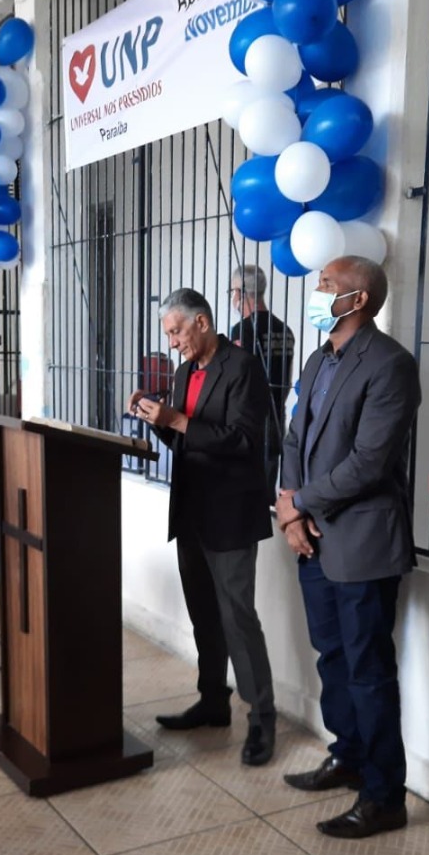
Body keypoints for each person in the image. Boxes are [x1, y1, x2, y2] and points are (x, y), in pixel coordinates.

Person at [275, 257, 422, 839]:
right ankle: (349, 755)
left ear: (358, 299)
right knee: (332, 657)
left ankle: (385, 796)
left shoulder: (391, 365)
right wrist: (291, 509)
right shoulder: (319, 359)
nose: (316, 292)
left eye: (326, 285)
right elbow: (295, 437)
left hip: (362, 543)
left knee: (368, 670)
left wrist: (299, 504)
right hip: (312, 537)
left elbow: (369, 462)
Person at [128, 289, 280, 766]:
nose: (172, 343)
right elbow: (185, 442)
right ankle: (213, 701)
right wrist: (155, 419)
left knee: (238, 616)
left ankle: (262, 718)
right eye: (168, 335)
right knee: (204, 615)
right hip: (191, 511)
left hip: (230, 513)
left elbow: (243, 441)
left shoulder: (243, 367)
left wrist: (176, 419)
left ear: (202, 322)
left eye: (176, 332)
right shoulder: (183, 373)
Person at [228, 264, 295, 496]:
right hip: (276, 415)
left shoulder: (242, 330)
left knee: (244, 494)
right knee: (266, 489)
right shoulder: (284, 330)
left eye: (232, 291)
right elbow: (286, 377)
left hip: (249, 420)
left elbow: (238, 378)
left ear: (240, 292)